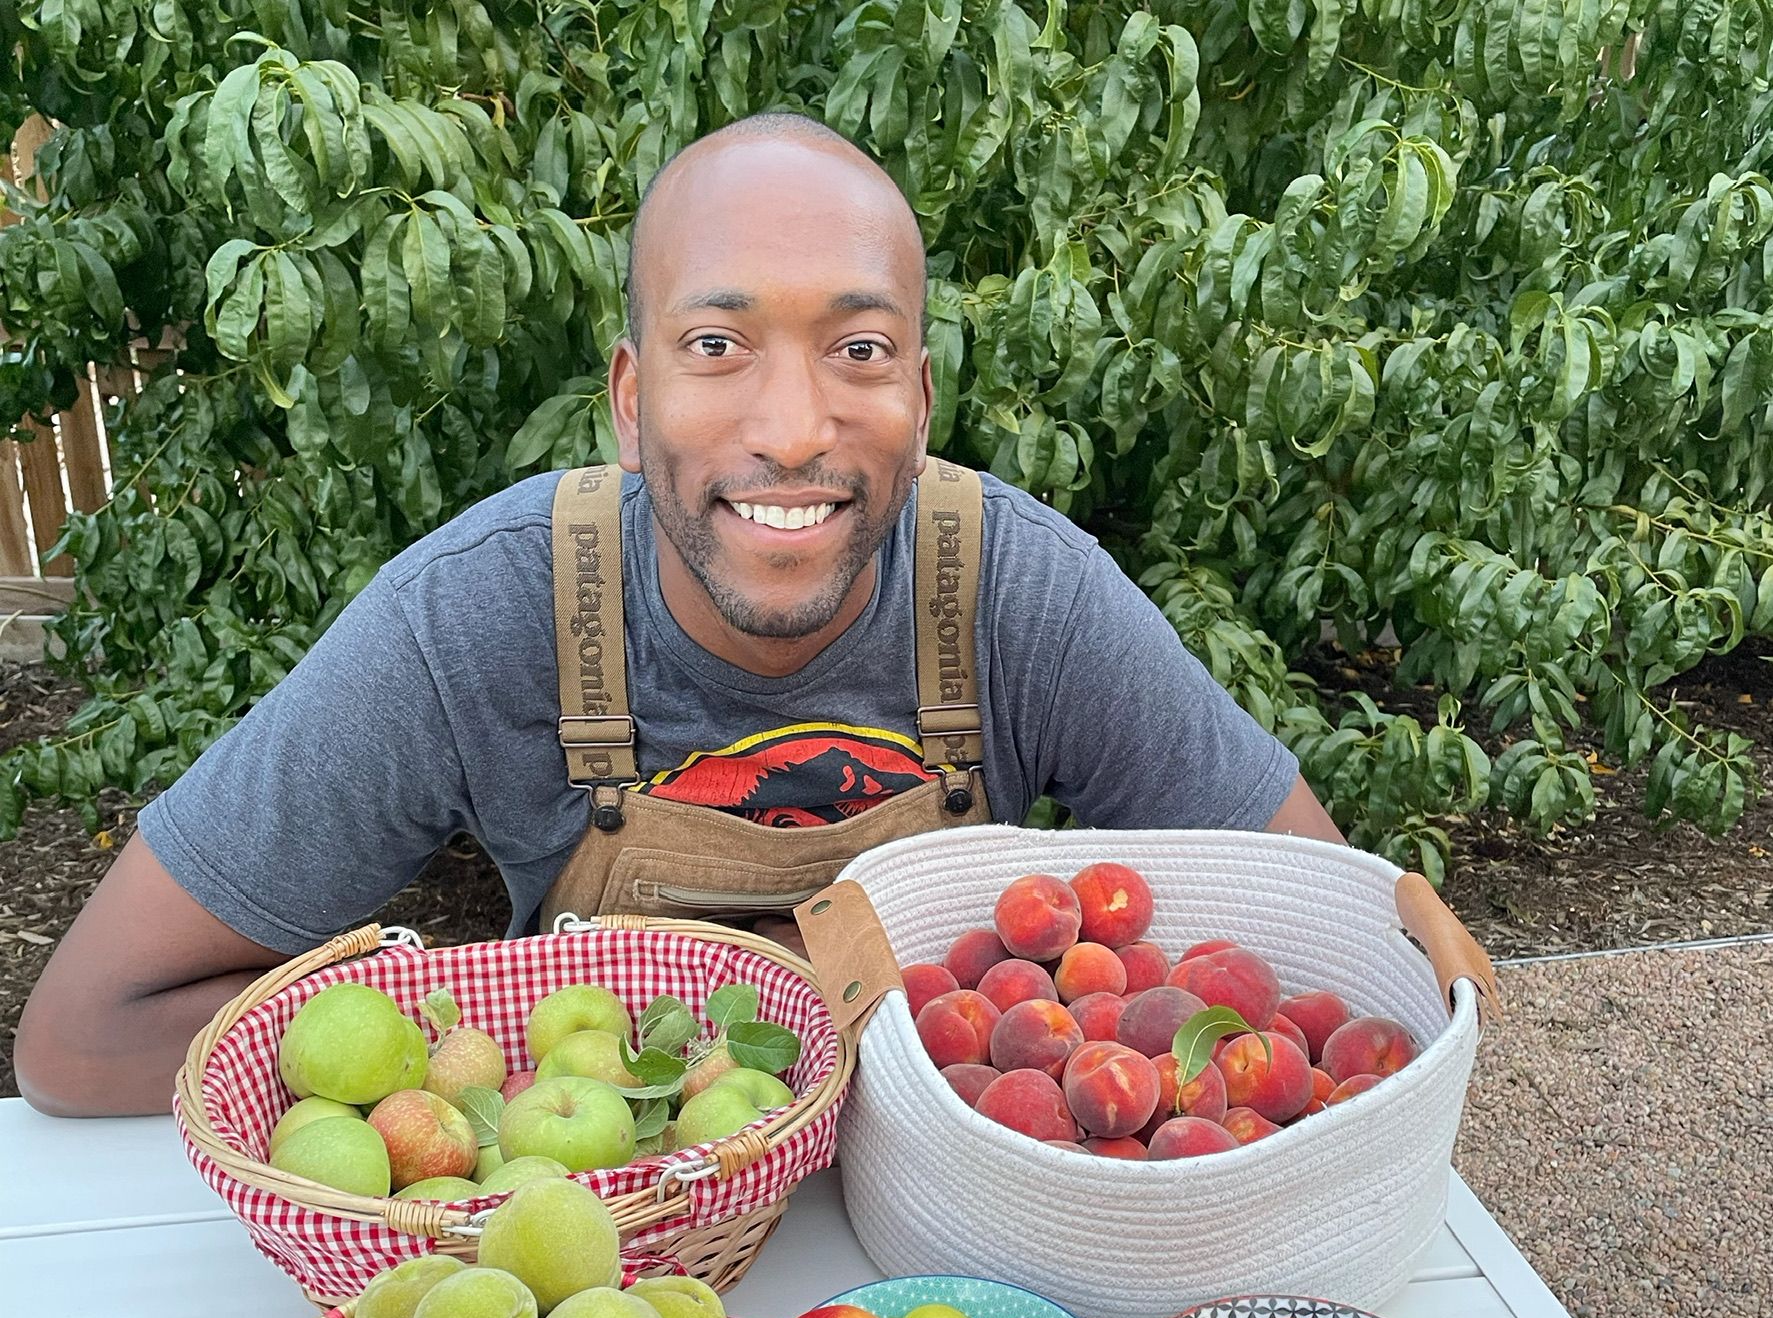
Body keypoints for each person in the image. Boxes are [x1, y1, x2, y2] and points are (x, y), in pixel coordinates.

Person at [15, 111, 1342, 1119]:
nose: (790, 427)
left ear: (921, 403)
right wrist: (488, 1065)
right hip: (607, 1280)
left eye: (858, 351)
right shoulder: (481, 616)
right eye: (718, 348)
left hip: (955, 1293)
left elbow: (1328, 937)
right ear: (630, 396)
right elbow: (81, 1037)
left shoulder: (1015, 594)